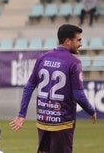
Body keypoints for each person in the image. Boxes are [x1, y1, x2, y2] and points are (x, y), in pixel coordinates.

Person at [9, 24, 97, 153]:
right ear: (68, 41)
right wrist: (91, 111)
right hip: (62, 122)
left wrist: (22, 114)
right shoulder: (73, 62)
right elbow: (78, 95)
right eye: (78, 40)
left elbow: (29, 87)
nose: (81, 44)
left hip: (43, 121)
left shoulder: (42, 58)